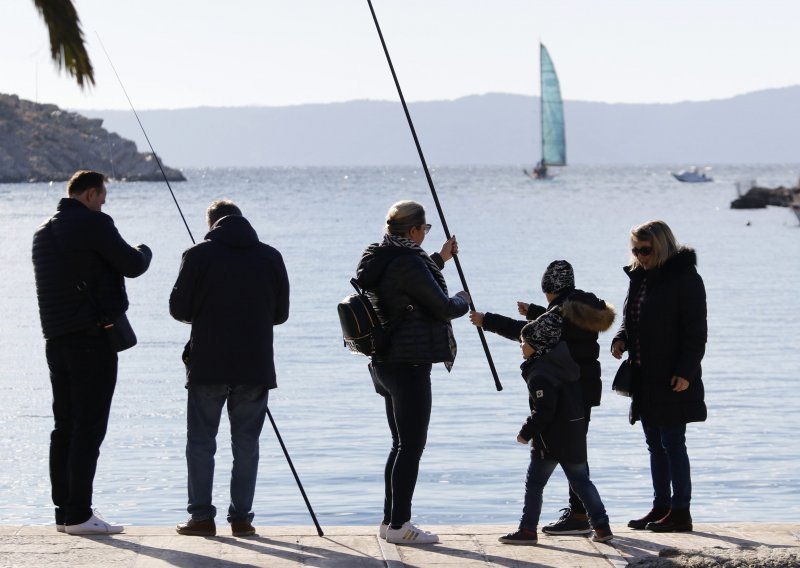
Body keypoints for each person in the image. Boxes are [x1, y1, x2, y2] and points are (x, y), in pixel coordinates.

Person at [32, 170, 152, 535]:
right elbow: (132, 264)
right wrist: (147, 249)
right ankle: (81, 514)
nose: (104, 203)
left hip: (56, 340)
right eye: (102, 196)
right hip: (92, 340)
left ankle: (65, 513)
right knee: (89, 426)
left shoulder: (41, 234)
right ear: (88, 194)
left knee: (63, 427)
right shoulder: (94, 224)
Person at [169, 199, 289, 538]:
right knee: (246, 445)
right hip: (254, 365)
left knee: (201, 442)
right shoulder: (271, 256)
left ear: (211, 223)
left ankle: (202, 518)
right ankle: (241, 520)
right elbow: (280, 314)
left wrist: (206, 312)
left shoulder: (197, 255)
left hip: (208, 363)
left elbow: (178, 308)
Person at [470, 260, 615, 535]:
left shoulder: (558, 316)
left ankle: (578, 517)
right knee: (576, 454)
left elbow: (533, 334)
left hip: (562, 390)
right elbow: (556, 323)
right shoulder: (582, 308)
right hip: (584, 389)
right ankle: (586, 515)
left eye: (546, 294)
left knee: (567, 462)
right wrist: (537, 312)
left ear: (551, 288)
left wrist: (486, 320)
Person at [355, 200, 470, 545]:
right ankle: (400, 525)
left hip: (385, 363)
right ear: (415, 230)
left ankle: (390, 522)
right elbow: (443, 307)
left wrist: (440, 258)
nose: (425, 234)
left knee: (400, 444)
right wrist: (464, 299)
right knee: (412, 446)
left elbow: (408, 286)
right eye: (425, 229)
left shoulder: (381, 255)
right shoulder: (409, 263)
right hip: (410, 363)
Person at [611, 220, 707, 533]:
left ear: (662, 246)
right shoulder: (639, 277)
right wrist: (621, 337)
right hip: (643, 374)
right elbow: (631, 318)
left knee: (673, 442)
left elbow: (696, 332)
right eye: (635, 250)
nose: (639, 255)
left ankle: (681, 512)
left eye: (646, 250)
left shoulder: (685, 278)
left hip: (672, 375)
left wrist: (685, 372)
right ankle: (661, 505)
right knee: (654, 444)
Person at [499, 310, 613, 545]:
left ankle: (528, 530)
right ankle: (602, 527)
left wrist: (525, 433)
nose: (521, 345)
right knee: (582, 482)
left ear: (537, 345)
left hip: (550, 441)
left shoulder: (540, 374)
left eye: (524, 342)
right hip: (574, 433)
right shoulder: (564, 363)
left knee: (535, 484)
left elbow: (544, 411)